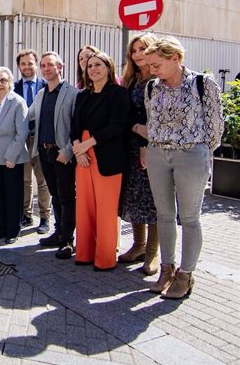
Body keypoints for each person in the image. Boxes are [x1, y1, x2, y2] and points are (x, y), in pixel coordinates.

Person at [144, 36, 223, 299]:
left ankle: (185, 275)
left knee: (189, 218)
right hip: (158, 155)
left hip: (191, 154)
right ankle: (166, 270)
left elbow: (215, 126)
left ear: (175, 58)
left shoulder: (202, 83)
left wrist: (199, 152)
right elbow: (152, 121)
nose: (152, 71)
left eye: (156, 65)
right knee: (164, 214)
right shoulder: (152, 87)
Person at [71, 52, 130, 271]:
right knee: (84, 206)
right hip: (83, 157)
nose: (93, 69)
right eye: (89, 66)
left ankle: (105, 259)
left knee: (105, 209)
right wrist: (78, 148)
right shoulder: (82, 96)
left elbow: (117, 126)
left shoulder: (118, 94)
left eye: (98, 64)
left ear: (108, 66)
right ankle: (85, 253)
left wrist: (86, 145)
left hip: (107, 157)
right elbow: (74, 125)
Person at [27, 52, 79, 259]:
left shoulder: (72, 93)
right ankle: (58, 233)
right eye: (43, 65)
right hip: (44, 152)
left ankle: (68, 240)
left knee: (67, 197)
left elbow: (77, 125)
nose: (46, 68)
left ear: (61, 67)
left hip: (62, 153)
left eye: (51, 65)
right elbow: (27, 115)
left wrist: (67, 150)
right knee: (55, 195)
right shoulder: (41, 94)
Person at [118, 34, 160, 275]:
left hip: (153, 147)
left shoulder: (158, 79)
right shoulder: (130, 79)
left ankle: (153, 253)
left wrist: (143, 139)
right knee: (134, 197)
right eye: (134, 50)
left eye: (143, 48)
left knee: (154, 200)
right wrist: (135, 131)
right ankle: (138, 245)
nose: (138, 54)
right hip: (132, 146)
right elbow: (129, 114)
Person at [0, 66, 29, 244]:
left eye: (3, 80)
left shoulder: (17, 102)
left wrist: (11, 156)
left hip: (11, 157)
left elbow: (21, 132)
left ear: (9, 82)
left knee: (13, 195)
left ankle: (12, 230)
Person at [14, 49, 51, 234]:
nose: (27, 67)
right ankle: (26, 215)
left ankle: (45, 217)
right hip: (22, 139)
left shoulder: (47, 86)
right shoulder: (13, 88)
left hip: (41, 138)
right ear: (19, 66)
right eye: (23, 64)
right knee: (24, 180)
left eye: (30, 63)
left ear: (36, 64)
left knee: (43, 180)